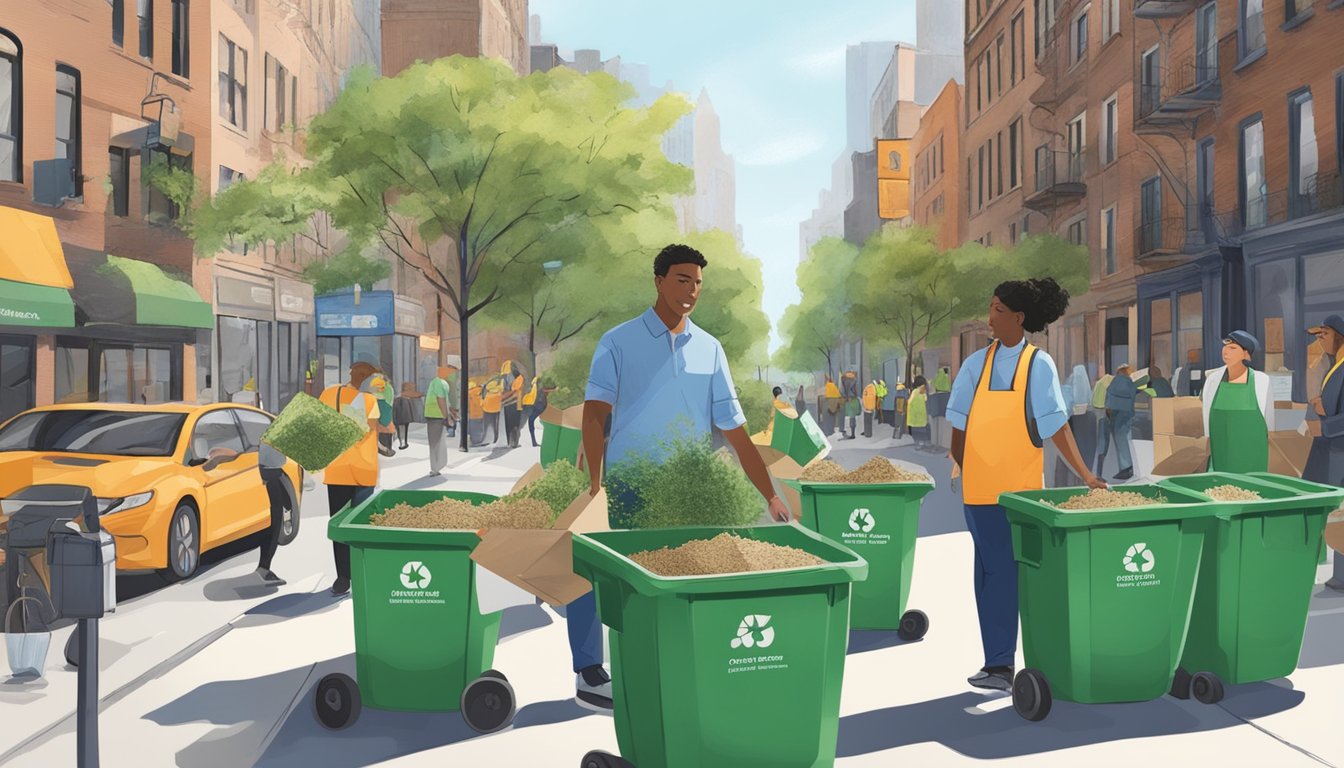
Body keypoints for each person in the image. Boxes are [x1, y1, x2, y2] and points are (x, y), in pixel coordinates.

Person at [578, 243, 793, 712]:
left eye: (697, 282)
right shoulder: (618, 342)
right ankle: (590, 671)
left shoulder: (710, 349)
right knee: (600, 579)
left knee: (680, 588)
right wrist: (591, 485)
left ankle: (678, 677)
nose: (691, 291)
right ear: (658, 281)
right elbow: (594, 417)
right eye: (681, 280)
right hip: (629, 487)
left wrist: (770, 495)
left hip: (690, 491)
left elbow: (735, 432)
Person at [948, 278, 1105, 692]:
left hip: (1021, 495)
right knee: (989, 575)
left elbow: (1056, 426)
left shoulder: (1039, 365)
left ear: (1019, 318)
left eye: (999, 310)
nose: (990, 318)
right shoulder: (974, 365)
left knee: (1016, 575)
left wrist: (1086, 476)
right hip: (979, 494)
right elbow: (959, 425)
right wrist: (960, 466)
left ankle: (1025, 661)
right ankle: (998, 664)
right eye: (991, 308)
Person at [319, 362, 382, 596]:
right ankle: (362, 574)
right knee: (362, 525)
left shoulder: (329, 393)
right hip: (363, 470)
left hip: (336, 469)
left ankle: (343, 578)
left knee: (339, 525)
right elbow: (371, 428)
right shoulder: (368, 400)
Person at [1304, 315, 1344, 590]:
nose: (1321, 338)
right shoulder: (1334, 364)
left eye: (1326, 333)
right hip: (1330, 449)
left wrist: (1325, 425)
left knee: (1340, 514)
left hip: (1338, 449)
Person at [1202, 331, 1273, 474]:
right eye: (1225, 346)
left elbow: (1270, 421)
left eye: (1233, 348)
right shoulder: (1212, 380)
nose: (1226, 351)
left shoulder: (1262, 381)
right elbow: (1206, 412)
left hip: (1253, 454)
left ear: (1246, 354)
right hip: (1221, 452)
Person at [1105, 365, 1138, 481]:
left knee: (1120, 442)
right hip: (1128, 414)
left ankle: (1125, 468)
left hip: (1116, 415)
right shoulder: (1131, 383)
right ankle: (1131, 467)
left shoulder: (1115, 383)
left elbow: (1108, 401)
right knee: (1128, 440)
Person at [424, 367, 455, 475]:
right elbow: (446, 400)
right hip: (438, 415)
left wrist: (446, 416)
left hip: (434, 415)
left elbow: (440, 399)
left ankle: (435, 468)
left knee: (434, 442)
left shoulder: (437, 382)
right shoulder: (444, 383)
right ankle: (440, 465)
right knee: (440, 441)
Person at [369, 374, 396, 457]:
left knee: (383, 425)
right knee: (385, 425)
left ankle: (385, 448)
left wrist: (372, 395)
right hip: (386, 407)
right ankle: (386, 448)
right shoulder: (388, 387)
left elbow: (378, 394)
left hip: (384, 406)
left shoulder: (385, 387)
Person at [393, 382, 423, 450]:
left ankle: (402, 442)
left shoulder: (404, 398)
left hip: (402, 417)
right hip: (402, 417)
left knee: (402, 428)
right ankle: (402, 443)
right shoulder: (402, 398)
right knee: (402, 428)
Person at [502, 361, 525, 449]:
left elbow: (513, 390)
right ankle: (512, 442)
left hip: (512, 403)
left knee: (512, 423)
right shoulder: (516, 378)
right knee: (512, 423)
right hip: (512, 403)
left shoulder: (517, 378)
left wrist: (504, 396)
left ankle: (512, 442)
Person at [907, 376, 929, 448]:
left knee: (915, 429)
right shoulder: (923, 391)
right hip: (922, 413)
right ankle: (923, 441)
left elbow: (910, 401)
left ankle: (918, 443)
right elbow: (925, 400)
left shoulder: (914, 391)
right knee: (922, 428)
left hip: (915, 414)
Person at [482, 376, 503, 445]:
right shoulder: (499, 393)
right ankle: (495, 439)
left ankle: (484, 438)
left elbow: (482, 401)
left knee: (485, 425)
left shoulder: (488, 394)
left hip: (486, 410)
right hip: (496, 411)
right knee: (495, 425)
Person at [523, 374, 542, 447]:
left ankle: (533, 441)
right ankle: (533, 441)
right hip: (531, 405)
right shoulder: (537, 387)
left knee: (531, 422)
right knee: (531, 422)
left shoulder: (531, 386)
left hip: (527, 404)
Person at [842, 371, 860, 440]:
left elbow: (845, 390)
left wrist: (847, 397)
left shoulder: (845, 380)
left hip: (848, 399)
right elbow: (855, 390)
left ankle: (850, 433)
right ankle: (852, 433)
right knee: (852, 416)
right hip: (853, 399)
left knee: (849, 416)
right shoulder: (853, 380)